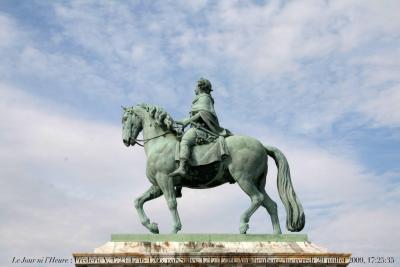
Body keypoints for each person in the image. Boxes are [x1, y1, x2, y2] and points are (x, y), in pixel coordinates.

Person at [170, 78, 230, 177]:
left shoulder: (205, 97)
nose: (195, 89)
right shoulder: (200, 99)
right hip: (198, 128)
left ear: (200, 87)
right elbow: (195, 116)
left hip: (203, 130)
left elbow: (204, 113)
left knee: (185, 140)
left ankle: (182, 167)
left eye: (196, 86)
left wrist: (188, 121)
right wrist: (178, 121)